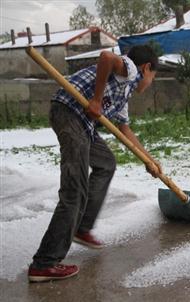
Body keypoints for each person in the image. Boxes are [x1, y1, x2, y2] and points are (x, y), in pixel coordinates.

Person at [28, 45, 162, 282]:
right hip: (70, 113)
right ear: (146, 68)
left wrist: (149, 160)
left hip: (84, 126)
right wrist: (97, 99)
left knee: (106, 163)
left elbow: (124, 129)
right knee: (74, 192)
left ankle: (82, 226)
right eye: (153, 77)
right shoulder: (130, 70)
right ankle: (44, 263)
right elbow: (107, 57)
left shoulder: (125, 93)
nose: (150, 83)